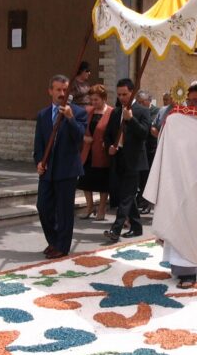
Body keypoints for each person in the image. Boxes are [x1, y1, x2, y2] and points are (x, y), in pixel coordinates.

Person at [143, 84, 197, 288]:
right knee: (176, 219)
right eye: (188, 101)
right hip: (179, 180)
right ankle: (178, 268)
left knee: (194, 225)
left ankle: (190, 273)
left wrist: (189, 126)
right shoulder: (181, 121)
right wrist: (174, 118)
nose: (191, 105)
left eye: (196, 101)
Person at [34, 74, 87, 258]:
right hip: (48, 170)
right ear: (50, 91)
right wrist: (39, 162)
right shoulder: (42, 115)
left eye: (65, 90)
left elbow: (80, 138)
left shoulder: (78, 113)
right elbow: (39, 143)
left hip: (67, 169)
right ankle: (53, 240)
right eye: (58, 90)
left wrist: (71, 119)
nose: (62, 93)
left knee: (64, 211)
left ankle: (62, 247)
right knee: (43, 207)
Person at [103, 78, 151, 242]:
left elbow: (144, 133)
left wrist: (131, 119)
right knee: (127, 195)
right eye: (119, 94)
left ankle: (115, 229)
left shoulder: (142, 110)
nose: (122, 97)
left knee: (126, 196)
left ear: (132, 93)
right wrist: (109, 146)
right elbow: (108, 134)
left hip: (135, 159)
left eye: (125, 94)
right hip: (119, 157)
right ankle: (136, 227)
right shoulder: (116, 112)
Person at [78, 84, 113, 221]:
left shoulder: (111, 112)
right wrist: (83, 137)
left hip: (102, 153)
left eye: (96, 100)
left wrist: (108, 142)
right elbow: (79, 128)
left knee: (102, 183)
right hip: (88, 152)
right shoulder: (87, 111)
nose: (93, 103)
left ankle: (102, 209)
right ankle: (89, 207)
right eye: (91, 100)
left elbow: (115, 132)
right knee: (85, 181)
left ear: (104, 98)